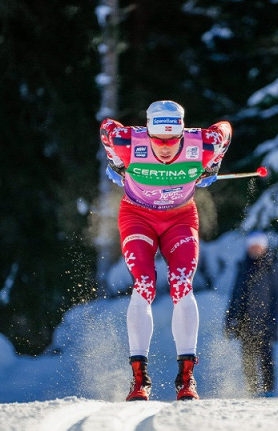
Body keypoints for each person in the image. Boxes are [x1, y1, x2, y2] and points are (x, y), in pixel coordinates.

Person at [99, 100, 232, 401]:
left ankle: (186, 378)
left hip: (180, 217)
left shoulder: (203, 144)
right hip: (137, 216)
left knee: (182, 284)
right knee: (144, 282)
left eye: (173, 140)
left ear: (183, 134)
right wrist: (115, 163)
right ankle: (138, 379)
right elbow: (107, 129)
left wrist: (214, 163)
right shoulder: (128, 142)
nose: (166, 147)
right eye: (158, 140)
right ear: (148, 133)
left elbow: (225, 130)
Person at [224, 231, 278, 397]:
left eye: (258, 246)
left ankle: (268, 390)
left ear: (264, 247)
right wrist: (230, 318)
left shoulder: (273, 266)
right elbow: (236, 295)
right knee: (247, 359)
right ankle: (251, 390)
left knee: (266, 358)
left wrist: (273, 321)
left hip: (265, 321)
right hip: (244, 321)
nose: (255, 249)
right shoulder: (244, 267)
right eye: (252, 246)